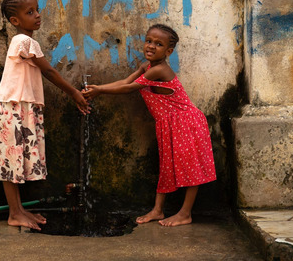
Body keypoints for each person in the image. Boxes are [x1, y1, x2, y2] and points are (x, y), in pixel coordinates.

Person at [83, 24, 216, 227]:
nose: (151, 46)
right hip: (170, 124)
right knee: (166, 166)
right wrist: (99, 88)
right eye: (149, 41)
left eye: (159, 44)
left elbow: (129, 88)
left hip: (185, 122)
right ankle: (158, 210)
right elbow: (125, 81)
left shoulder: (159, 70)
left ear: (168, 51)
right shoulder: (147, 67)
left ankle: (185, 213)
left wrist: (100, 90)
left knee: (191, 169)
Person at [0, 0, 89, 230]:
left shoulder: (26, 42)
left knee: (15, 160)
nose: (37, 15)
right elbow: (49, 72)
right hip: (13, 108)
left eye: (37, 10)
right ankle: (14, 213)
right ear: (15, 21)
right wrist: (73, 93)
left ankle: (19, 210)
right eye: (30, 12)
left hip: (18, 106)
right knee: (11, 162)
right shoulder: (23, 41)